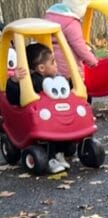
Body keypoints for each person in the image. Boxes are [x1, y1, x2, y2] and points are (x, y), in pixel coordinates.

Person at [5, 42, 71, 173]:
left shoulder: (55, 78)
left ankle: (59, 154)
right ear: (41, 68)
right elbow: (14, 97)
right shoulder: (32, 81)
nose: (56, 64)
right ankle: (50, 159)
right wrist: (14, 82)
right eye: (53, 62)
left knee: (65, 127)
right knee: (47, 135)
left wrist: (71, 82)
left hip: (55, 114)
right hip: (39, 118)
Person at [44, 0, 98, 81]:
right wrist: (92, 60)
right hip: (68, 67)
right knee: (77, 89)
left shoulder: (50, 16)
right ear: (80, 6)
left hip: (51, 65)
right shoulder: (71, 23)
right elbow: (79, 46)